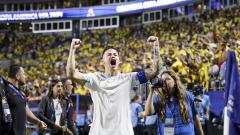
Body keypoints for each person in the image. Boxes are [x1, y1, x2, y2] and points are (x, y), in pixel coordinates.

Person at [66, 36, 162, 135]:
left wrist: (156, 47)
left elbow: (155, 71)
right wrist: (72, 49)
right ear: (102, 61)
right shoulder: (94, 79)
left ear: (119, 60)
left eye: (115, 54)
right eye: (109, 54)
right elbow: (71, 74)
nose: (113, 56)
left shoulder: (128, 78)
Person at [145, 70, 204, 135]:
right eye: (162, 80)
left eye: (167, 79)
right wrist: (151, 92)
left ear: (175, 82)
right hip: (168, 132)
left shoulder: (187, 95)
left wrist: (201, 133)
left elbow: (195, 116)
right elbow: (148, 113)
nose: (164, 81)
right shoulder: (158, 98)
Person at [0, 65, 46, 135]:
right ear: (18, 76)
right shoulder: (5, 87)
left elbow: (27, 112)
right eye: (24, 74)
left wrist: (38, 122)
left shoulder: (21, 93)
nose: (26, 76)